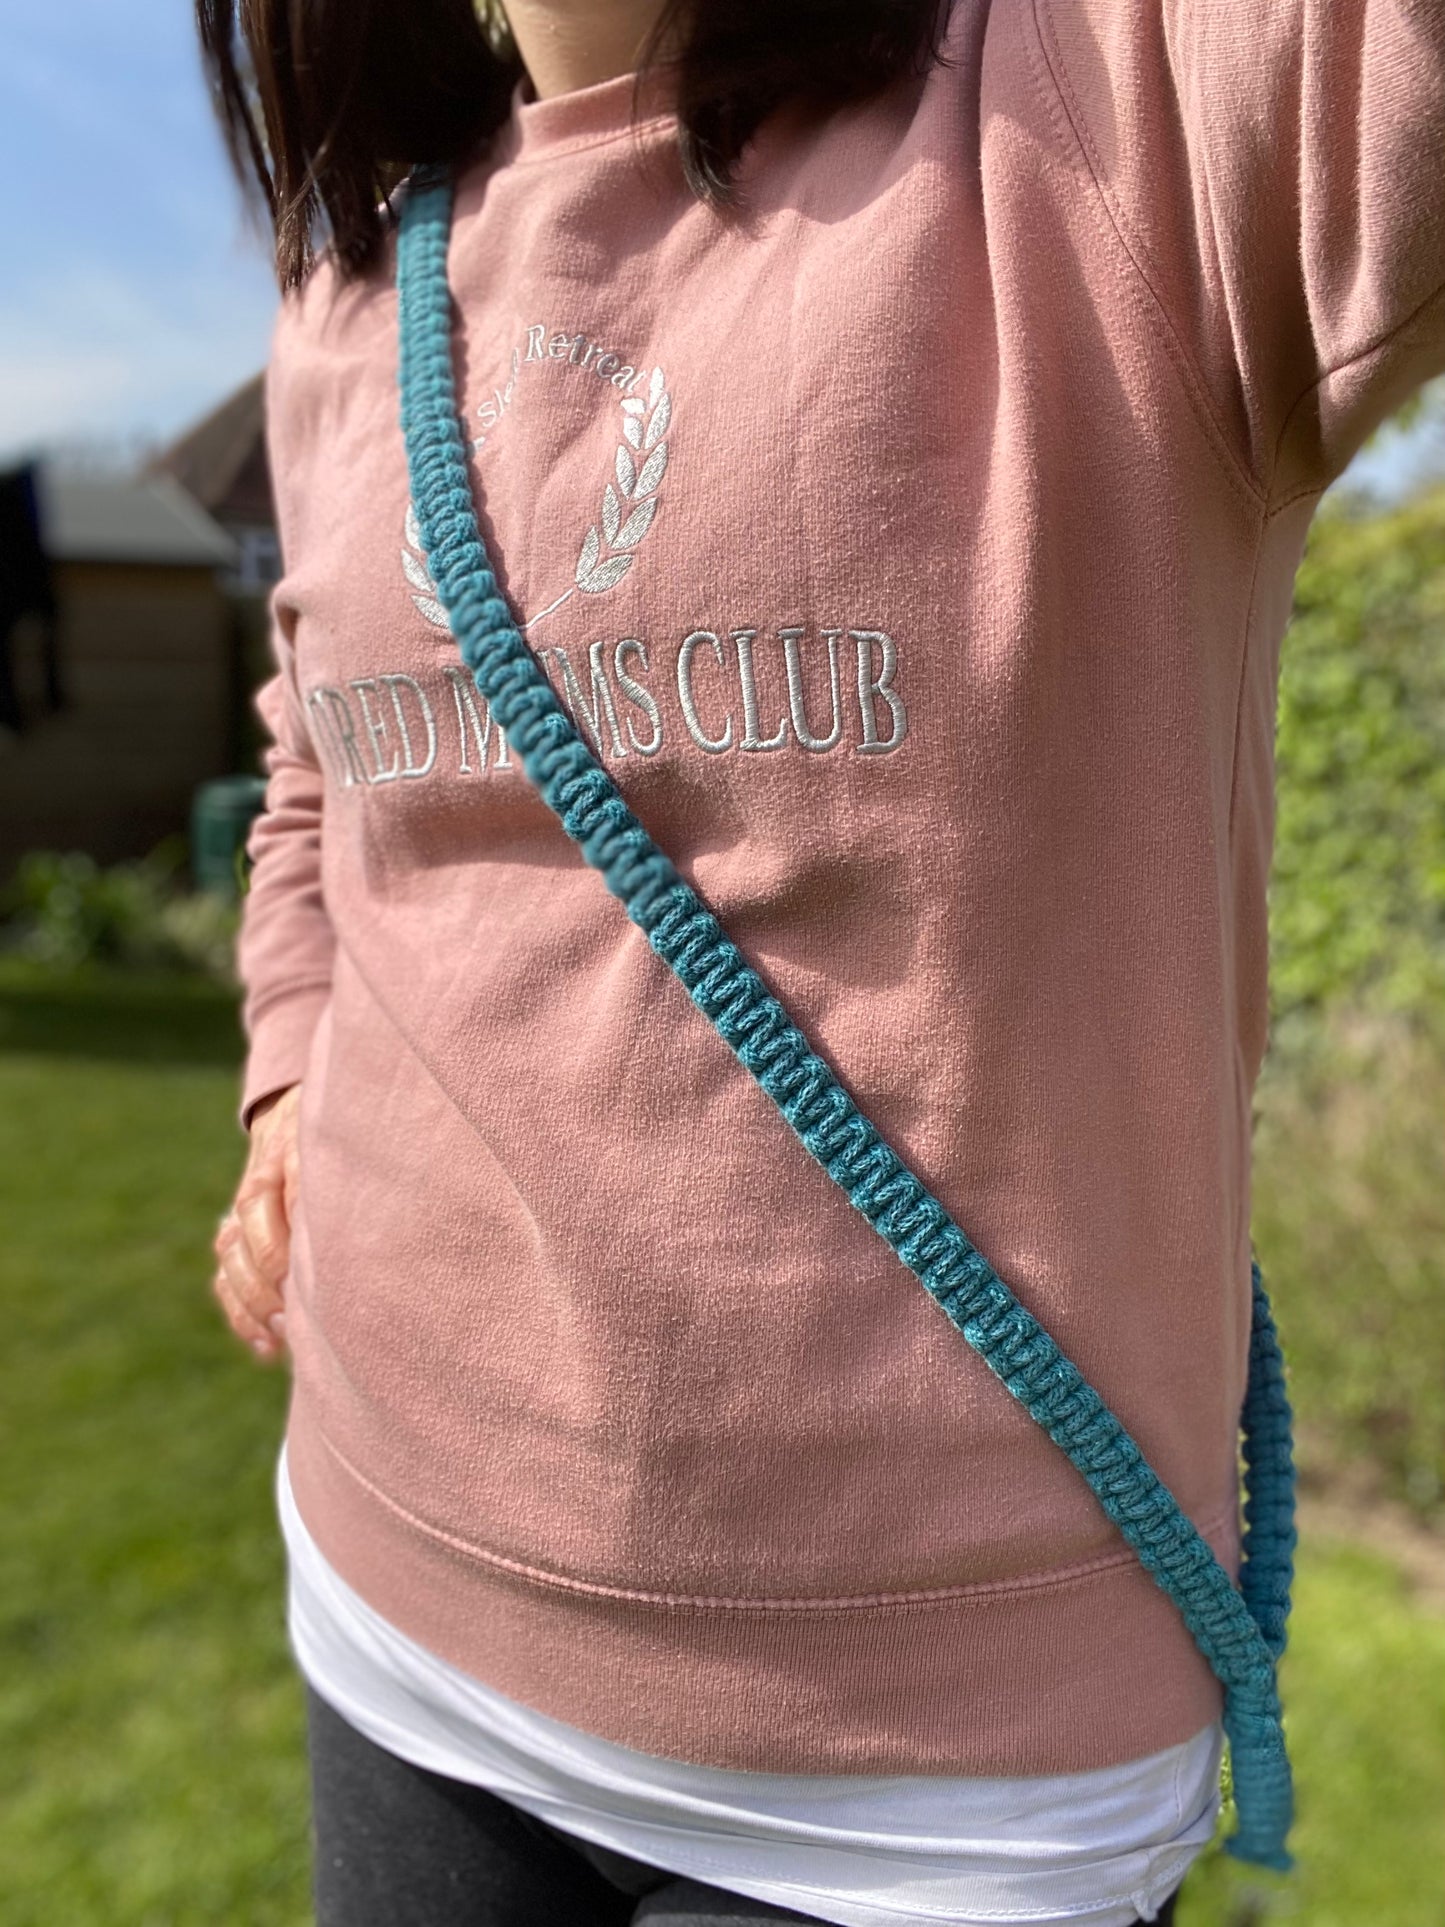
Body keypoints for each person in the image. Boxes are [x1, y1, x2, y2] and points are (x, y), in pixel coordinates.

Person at [201, 1, 1445, 1922]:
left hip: (939, 1783)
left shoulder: (1117, 96)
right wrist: (293, 1059)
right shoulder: (345, 296)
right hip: (386, 1588)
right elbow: (313, 774)